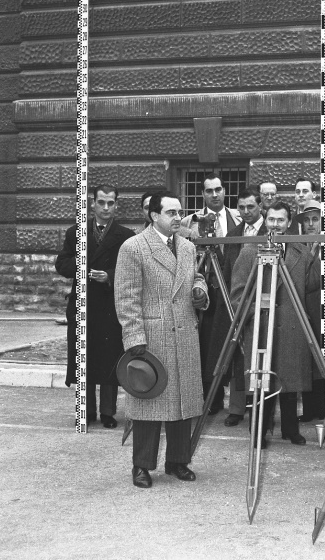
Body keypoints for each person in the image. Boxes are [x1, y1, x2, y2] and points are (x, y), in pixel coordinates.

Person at [115, 190, 209, 489]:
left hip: (185, 332)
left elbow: (195, 276)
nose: (178, 217)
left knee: (183, 402)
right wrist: (134, 336)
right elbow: (126, 296)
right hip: (152, 337)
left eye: (180, 211)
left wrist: (200, 290)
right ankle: (142, 466)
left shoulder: (187, 247)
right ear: (154, 215)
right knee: (149, 402)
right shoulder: (134, 247)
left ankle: (178, 461)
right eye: (171, 212)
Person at [230, 201, 319, 447]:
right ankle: (258, 431)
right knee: (261, 382)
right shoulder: (250, 250)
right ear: (265, 220)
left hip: (292, 325)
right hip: (261, 327)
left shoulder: (301, 251)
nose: (275, 225)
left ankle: (290, 429)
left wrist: (320, 254)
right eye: (271, 219)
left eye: (281, 220)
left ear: (288, 223)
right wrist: (253, 314)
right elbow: (237, 294)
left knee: (290, 381)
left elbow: (311, 284)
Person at [55, 184, 135, 428]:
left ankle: (108, 412)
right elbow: (61, 264)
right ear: (92, 204)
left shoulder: (126, 236)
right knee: (85, 357)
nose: (106, 208)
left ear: (116, 205)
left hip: (110, 306)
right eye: (101, 202)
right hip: (84, 305)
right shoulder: (76, 233)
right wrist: (81, 267)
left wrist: (109, 275)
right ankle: (87, 410)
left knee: (110, 359)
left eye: (111, 203)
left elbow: (131, 270)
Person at [204, 186, 267, 428]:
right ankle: (237, 409)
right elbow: (228, 269)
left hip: (263, 301)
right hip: (238, 303)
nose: (246, 211)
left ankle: (260, 411)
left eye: (251, 206)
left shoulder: (270, 229)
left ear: (260, 206)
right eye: (241, 207)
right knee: (237, 358)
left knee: (261, 356)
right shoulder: (233, 234)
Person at [181, 173, 241, 414]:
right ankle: (210, 400)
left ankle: (236, 403)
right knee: (204, 345)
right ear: (202, 194)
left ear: (224, 191)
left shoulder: (238, 217)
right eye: (209, 191)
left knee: (232, 343)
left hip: (232, 287)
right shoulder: (189, 222)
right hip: (204, 290)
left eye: (218, 189)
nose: (214, 195)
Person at [294, 200, 325, 423]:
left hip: (324, 308)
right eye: (307, 220)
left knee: (324, 358)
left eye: (315, 219)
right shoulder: (299, 246)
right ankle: (309, 409)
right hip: (304, 307)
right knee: (307, 359)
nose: (311, 224)